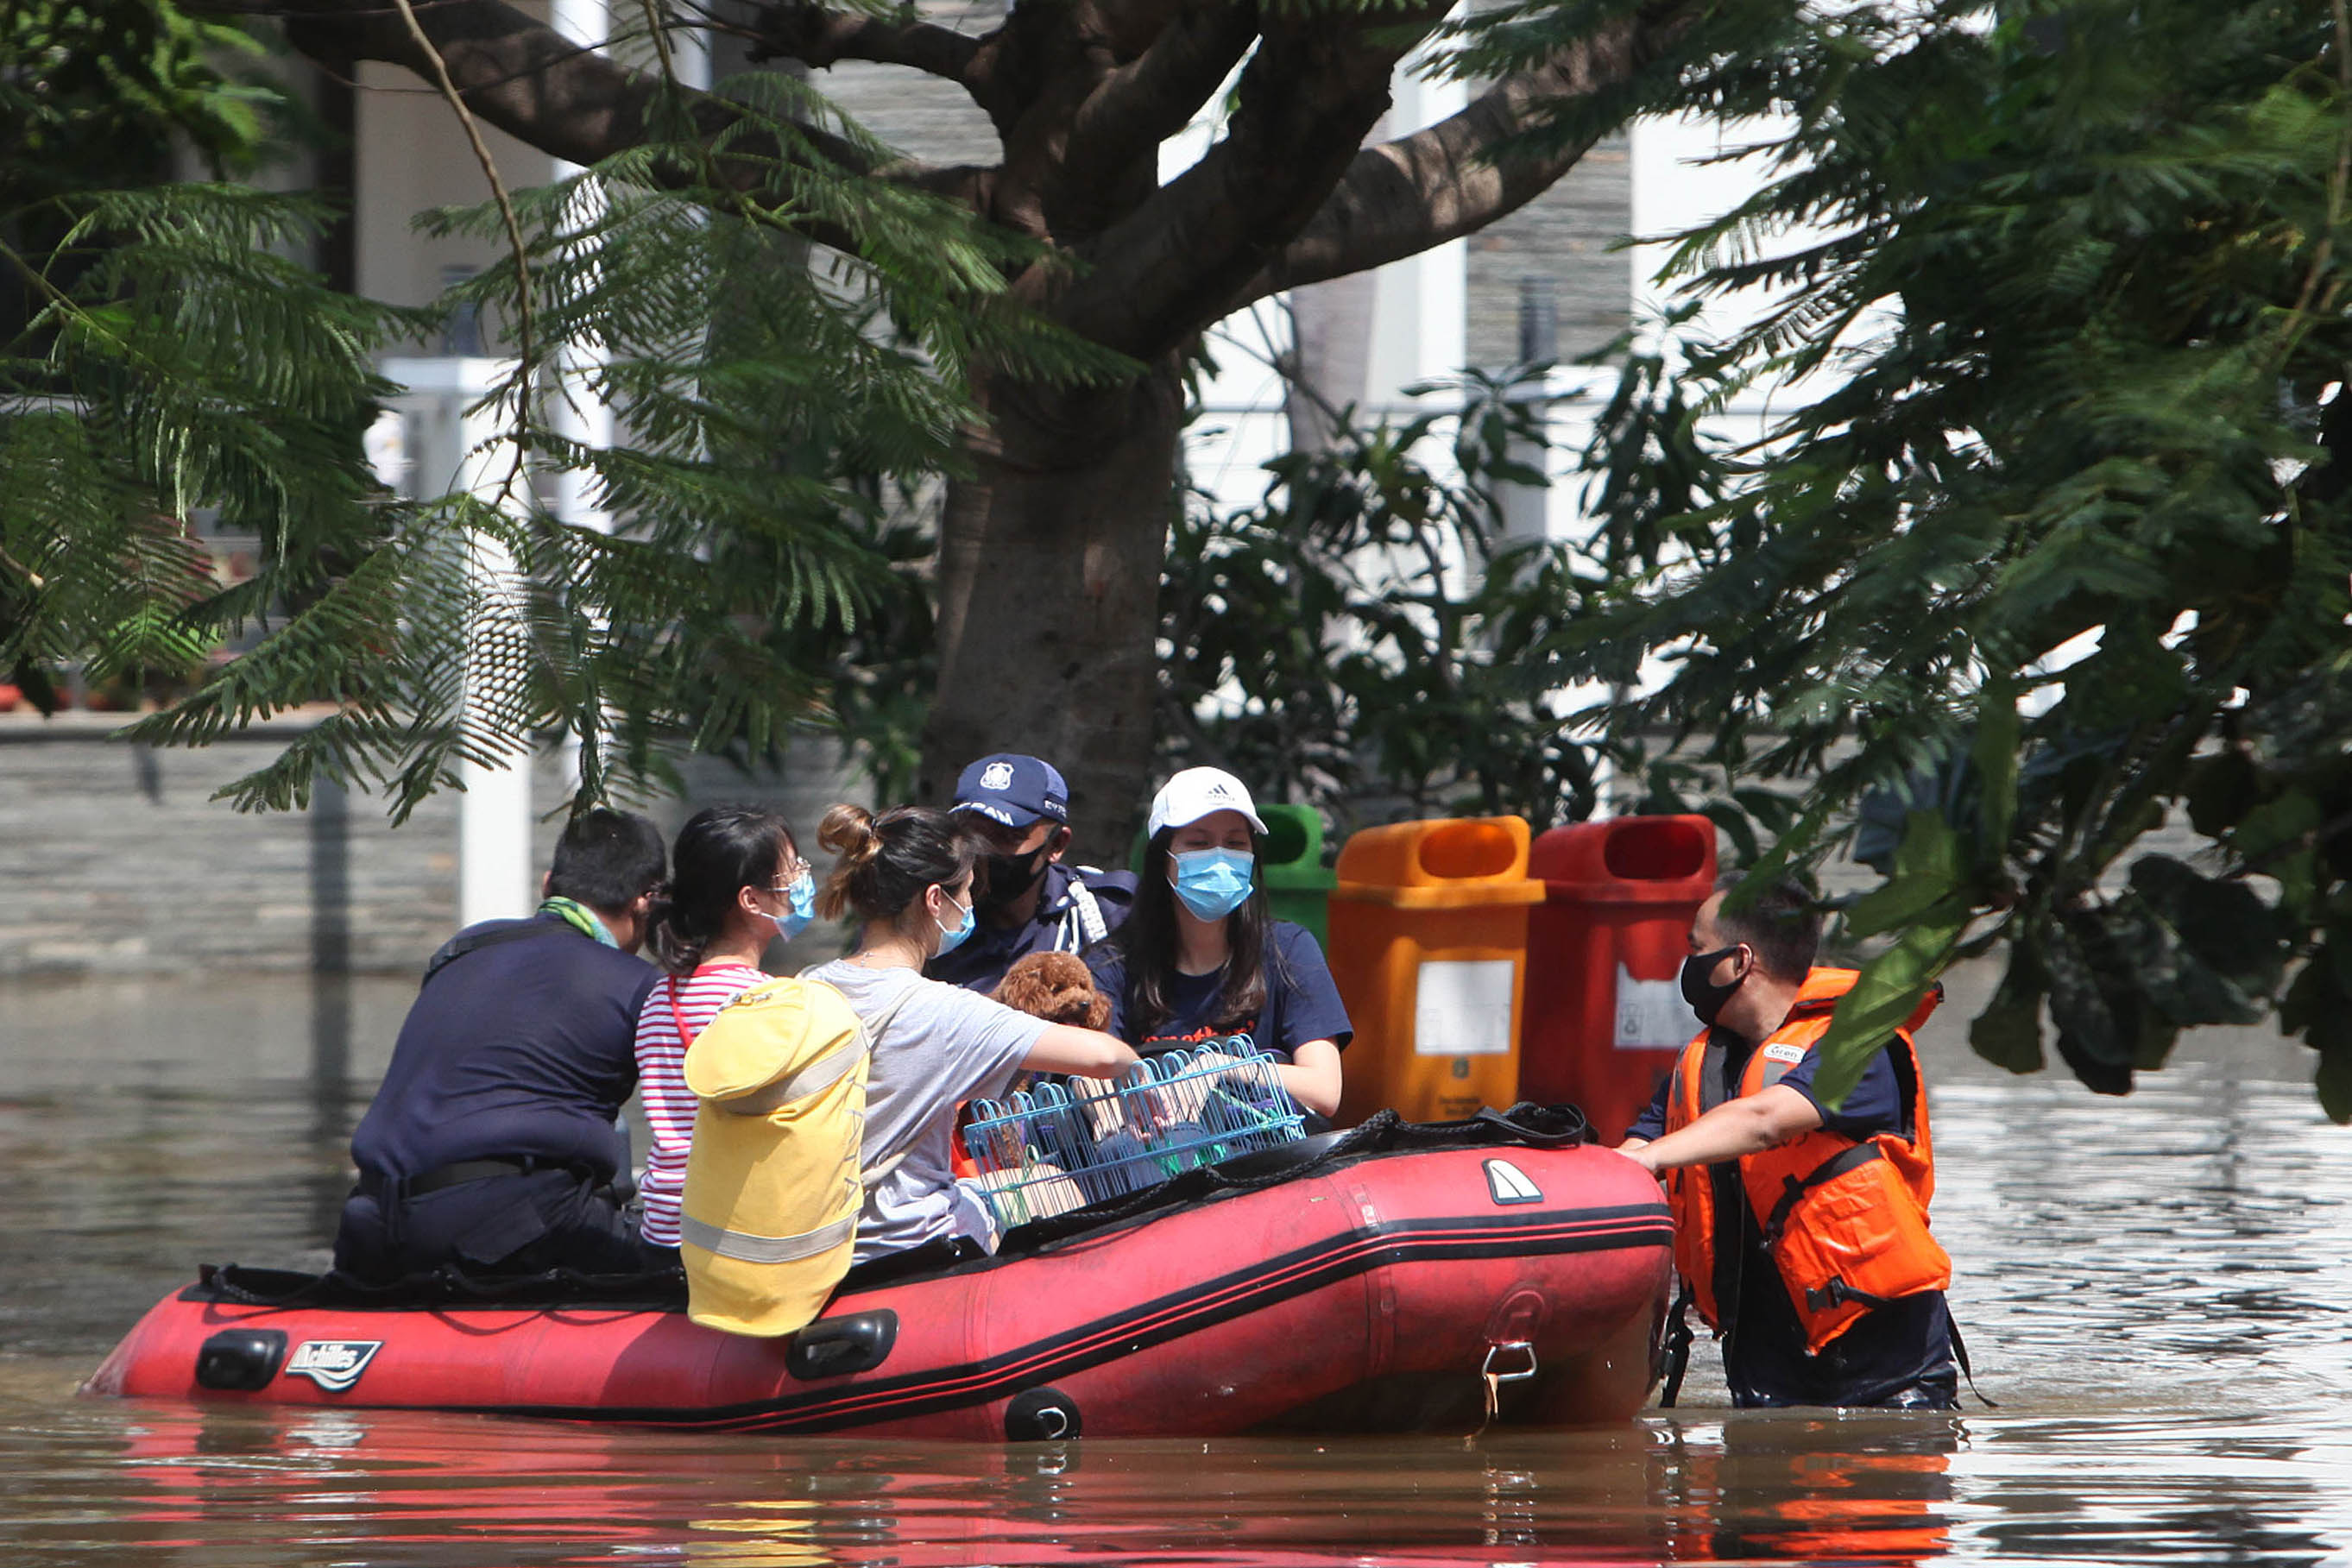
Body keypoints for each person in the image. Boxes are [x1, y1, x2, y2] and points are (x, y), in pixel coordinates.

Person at [1618, 877, 1960, 1409]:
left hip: (1882, 1362)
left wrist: (1651, 1157)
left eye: (1697, 948)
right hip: (1763, 1357)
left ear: (1738, 961)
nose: (1688, 964)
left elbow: (1767, 1119)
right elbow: (1634, 1150)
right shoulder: (1705, 1064)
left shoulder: (1858, 1045)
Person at [334, 809, 669, 1282]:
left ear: (548, 884)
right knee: (679, 1254)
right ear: (646, 903)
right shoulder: (640, 987)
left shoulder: (462, 949)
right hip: (502, 1231)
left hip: (369, 1226)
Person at [801, 803, 1138, 1266]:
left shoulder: (808, 985)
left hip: (817, 1237)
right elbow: (1105, 1057)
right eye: (967, 892)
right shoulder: (945, 1011)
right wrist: (1135, 1065)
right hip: (908, 1242)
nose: (972, 907)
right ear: (935, 900)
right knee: (1055, 1187)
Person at [1083, 767, 1348, 1125]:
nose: (1220, 857)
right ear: (1163, 857)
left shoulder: (1290, 949)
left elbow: (1325, 1090)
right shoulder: (1110, 964)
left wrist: (1218, 1069)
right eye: (1199, 843)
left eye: (1236, 844)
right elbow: (1091, 1075)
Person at [632, 805, 809, 1254]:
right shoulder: (765, 1000)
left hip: (663, 1229)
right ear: (751, 900)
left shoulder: (660, 996)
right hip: (729, 1239)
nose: (801, 881)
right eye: (791, 871)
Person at [926, 753, 1137, 995]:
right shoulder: (928, 915)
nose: (985, 851)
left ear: (1056, 844)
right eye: (973, 834)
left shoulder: (1106, 915)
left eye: (1008, 836)